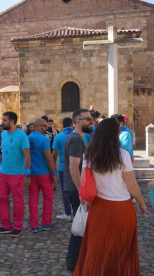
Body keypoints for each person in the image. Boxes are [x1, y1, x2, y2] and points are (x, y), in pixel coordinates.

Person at [74, 118, 147, 276]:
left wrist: (84, 199)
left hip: (99, 207)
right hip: (122, 208)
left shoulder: (89, 154)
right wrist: (142, 203)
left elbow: (84, 181)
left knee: (97, 248)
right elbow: (132, 185)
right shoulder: (123, 155)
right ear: (115, 135)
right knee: (121, 249)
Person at [0, 111, 31, 237]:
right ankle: (5, 225)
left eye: (4, 120)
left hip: (16, 174)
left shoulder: (22, 136)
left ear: (12, 121)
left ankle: (18, 226)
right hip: (3, 172)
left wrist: (28, 174)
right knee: (2, 199)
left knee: (17, 200)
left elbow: (27, 155)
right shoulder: (3, 134)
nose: (2, 122)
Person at [63, 109, 93, 271]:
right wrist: (82, 190)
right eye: (88, 118)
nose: (91, 121)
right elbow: (74, 167)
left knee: (82, 225)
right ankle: (74, 262)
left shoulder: (76, 138)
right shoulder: (75, 139)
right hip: (77, 190)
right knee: (81, 226)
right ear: (78, 121)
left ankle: (76, 261)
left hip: (76, 188)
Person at [28, 119, 56, 232]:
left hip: (32, 174)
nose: (47, 128)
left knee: (33, 199)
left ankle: (34, 225)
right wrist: (54, 172)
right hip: (44, 173)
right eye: (44, 126)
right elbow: (49, 158)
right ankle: (46, 223)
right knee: (48, 199)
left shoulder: (27, 138)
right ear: (38, 127)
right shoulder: (44, 140)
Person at [52, 117, 74, 221]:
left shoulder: (59, 136)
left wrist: (52, 167)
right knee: (75, 190)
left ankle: (68, 213)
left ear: (62, 125)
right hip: (76, 167)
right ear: (72, 124)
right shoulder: (78, 136)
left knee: (64, 190)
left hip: (62, 167)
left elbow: (54, 153)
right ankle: (77, 212)